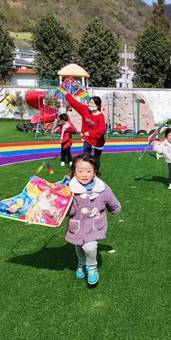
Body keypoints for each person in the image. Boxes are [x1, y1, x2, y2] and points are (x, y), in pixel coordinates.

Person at [65, 154, 121, 285]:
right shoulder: (70, 189)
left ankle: (91, 266)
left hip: (94, 226)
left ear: (95, 172)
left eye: (88, 171)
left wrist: (114, 208)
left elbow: (111, 199)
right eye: (80, 171)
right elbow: (69, 211)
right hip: (77, 226)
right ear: (74, 172)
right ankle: (82, 262)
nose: (84, 175)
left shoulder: (102, 188)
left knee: (90, 247)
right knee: (79, 246)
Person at [65, 93, 106, 173]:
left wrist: (90, 133)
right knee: (86, 157)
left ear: (98, 106)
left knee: (96, 159)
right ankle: (86, 173)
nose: (90, 104)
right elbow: (75, 103)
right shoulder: (85, 110)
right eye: (90, 102)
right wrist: (67, 95)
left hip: (98, 140)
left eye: (93, 103)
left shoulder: (100, 116)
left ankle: (95, 173)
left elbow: (102, 129)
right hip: (87, 139)